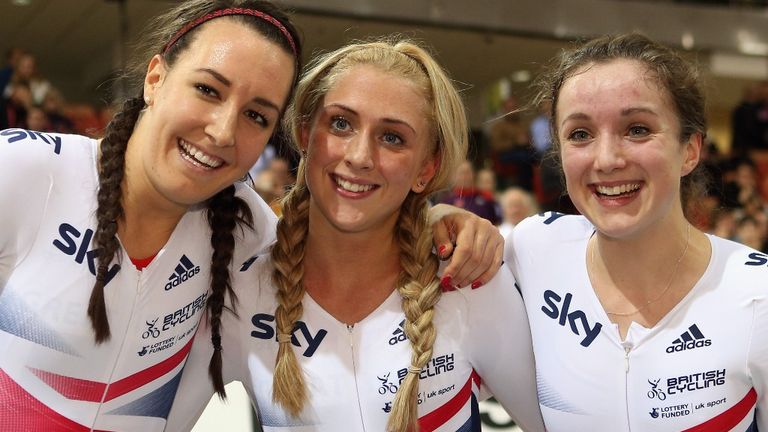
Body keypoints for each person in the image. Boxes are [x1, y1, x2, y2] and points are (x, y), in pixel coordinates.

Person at [0, 3, 502, 430]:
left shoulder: (247, 234)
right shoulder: (25, 171)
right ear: (155, 78)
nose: (222, 131)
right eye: (208, 90)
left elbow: (348, 233)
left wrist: (440, 217)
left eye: (256, 115)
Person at [166, 38, 544, 432]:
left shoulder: (468, 281)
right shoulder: (239, 293)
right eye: (341, 124)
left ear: (426, 169)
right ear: (304, 132)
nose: (360, 156)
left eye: (392, 137)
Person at [506, 33, 768, 431]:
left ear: (691, 150)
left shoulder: (757, 293)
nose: (607, 159)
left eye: (638, 129)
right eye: (580, 134)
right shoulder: (532, 249)